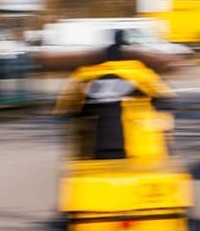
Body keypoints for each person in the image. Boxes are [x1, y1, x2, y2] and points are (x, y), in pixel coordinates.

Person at [55, 34, 175, 163]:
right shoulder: (141, 75)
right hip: (139, 149)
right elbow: (165, 101)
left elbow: (65, 109)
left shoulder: (85, 76)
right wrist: (166, 140)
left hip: (95, 150)